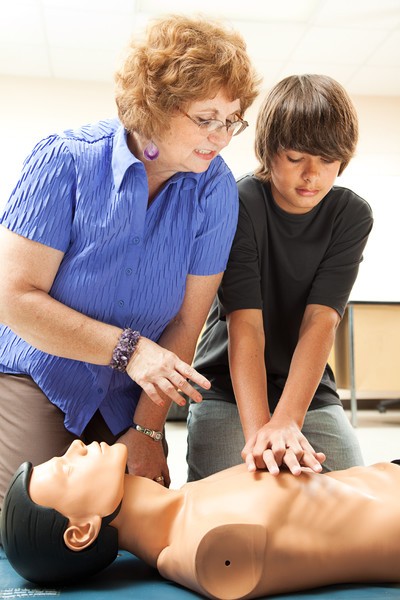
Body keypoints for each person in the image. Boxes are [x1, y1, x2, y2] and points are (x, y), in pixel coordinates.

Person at [0, 14, 260, 505]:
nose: (222, 137)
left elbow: (188, 318)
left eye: (232, 120)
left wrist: (149, 430)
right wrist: (130, 350)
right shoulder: (65, 161)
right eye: (206, 119)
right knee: (35, 521)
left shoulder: (216, 187)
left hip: (131, 395)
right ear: (155, 105)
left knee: (131, 524)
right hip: (41, 375)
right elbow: (13, 299)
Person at [187, 74, 374, 481]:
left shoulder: (351, 215)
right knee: (231, 496)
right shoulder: (239, 203)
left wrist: (287, 421)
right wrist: (261, 438)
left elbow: (321, 321)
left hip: (307, 387)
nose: (312, 175)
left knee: (350, 496)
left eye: (328, 161)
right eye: (296, 159)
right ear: (269, 151)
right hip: (227, 384)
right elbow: (246, 325)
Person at [1, 440, 400, 600]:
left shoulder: (188, 498)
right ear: (82, 530)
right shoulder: (204, 551)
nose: (74, 446)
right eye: (67, 469)